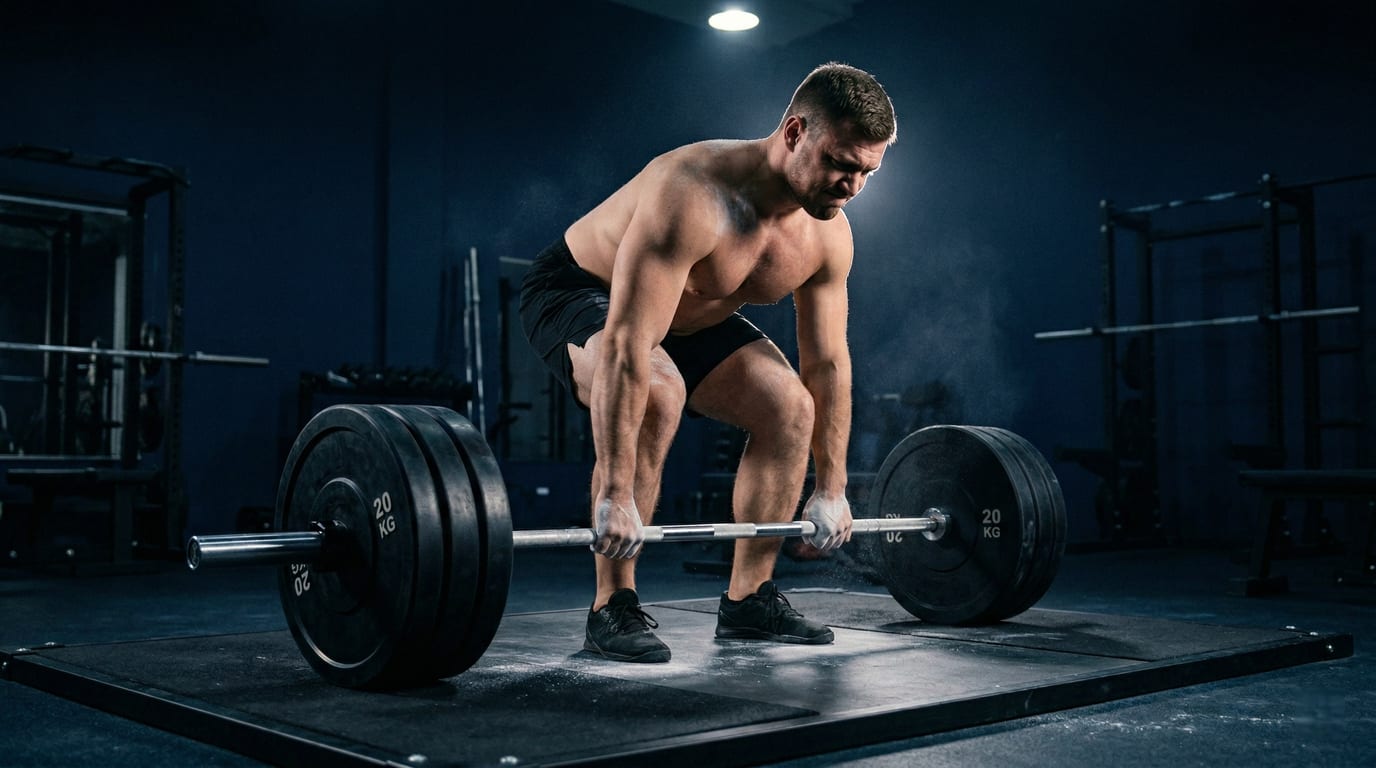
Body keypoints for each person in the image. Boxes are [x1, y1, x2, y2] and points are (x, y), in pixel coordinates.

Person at [520, 62, 896, 663]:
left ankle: (749, 601)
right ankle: (611, 606)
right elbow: (625, 344)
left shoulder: (828, 236)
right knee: (659, 391)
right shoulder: (693, 194)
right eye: (840, 164)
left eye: (866, 173)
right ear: (795, 132)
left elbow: (826, 364)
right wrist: (615, 493)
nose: (851, 184)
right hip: (580, 290)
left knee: (790, 407)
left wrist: (833, 487)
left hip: (691, 316)